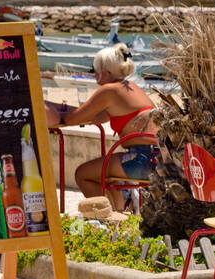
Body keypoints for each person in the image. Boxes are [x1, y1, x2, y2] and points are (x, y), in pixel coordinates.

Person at [44, 43, 157, 211]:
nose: (94, 74)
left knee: (83, 174)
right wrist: (63, 109)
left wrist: (49, 109)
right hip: (158, 157)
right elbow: (97, 117)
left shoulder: (109, 91)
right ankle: (119, 210)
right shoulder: (130, 87)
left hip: (140, 160)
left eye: (95, 70)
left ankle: (108, 217)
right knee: (99, 174)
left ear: (104, 71)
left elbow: (72, 119)